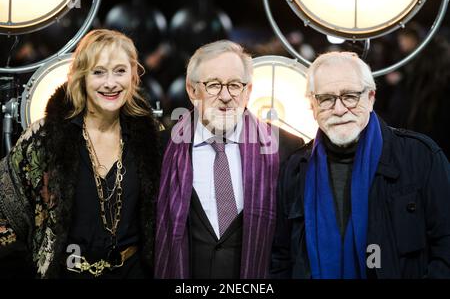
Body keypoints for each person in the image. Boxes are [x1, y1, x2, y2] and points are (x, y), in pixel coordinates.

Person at [271, 51, 450, 279]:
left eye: (350, 96)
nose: (339, 109)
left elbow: (445, 247)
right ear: (312, 106)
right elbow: (281, 257)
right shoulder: (295, 169)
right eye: (326, 98)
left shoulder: (420, 157)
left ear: (371, 97)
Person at [0, 29, 161, 278]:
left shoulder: (152, 138)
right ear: (81, 77)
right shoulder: (45, 137)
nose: (110, 83)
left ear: (133, 75)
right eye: (98, 72)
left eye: (120, 71)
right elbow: (4, 210)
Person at [155, 40, 303, 278]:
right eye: (213, 85)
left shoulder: (287, 149)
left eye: (235, 85)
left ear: (248, 92)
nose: (225, 96)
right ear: (192, 91)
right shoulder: (161, 149)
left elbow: (291, 247)